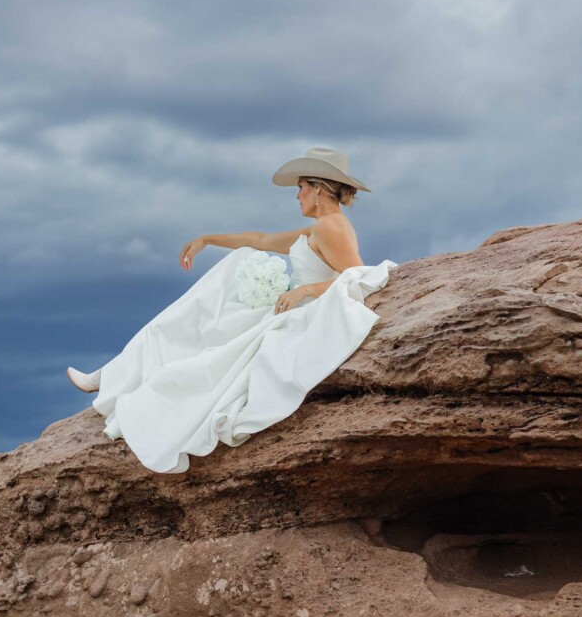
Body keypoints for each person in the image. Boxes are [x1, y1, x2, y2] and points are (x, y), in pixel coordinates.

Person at [66, 147, 397, 473]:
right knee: (201, 307)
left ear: (318, 189)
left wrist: (306, 290)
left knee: (191, 341)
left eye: (300, 187)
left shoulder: (331, 227)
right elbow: (262, 239)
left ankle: (110, 379)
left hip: (298, 314)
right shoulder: (321, 227)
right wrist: (209, 239)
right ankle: (111, 376)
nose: (296, 195)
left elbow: (356, 275)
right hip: (285, 307)